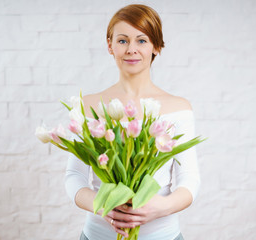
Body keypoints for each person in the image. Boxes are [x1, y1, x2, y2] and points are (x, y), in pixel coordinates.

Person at [65, 4, 200, 240]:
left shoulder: (178, 108)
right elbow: (74, 176)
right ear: (110, 45)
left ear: (156, 46)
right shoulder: (88, 106)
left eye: (141, 40)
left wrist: (160, 207)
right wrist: (103, 204)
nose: (131, 49)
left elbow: (189, 179)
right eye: (122, 41)